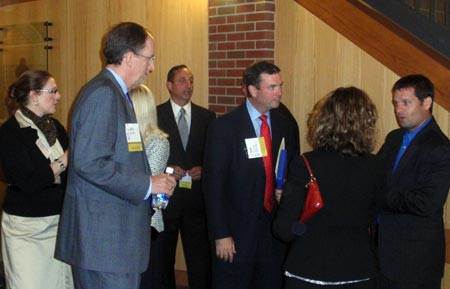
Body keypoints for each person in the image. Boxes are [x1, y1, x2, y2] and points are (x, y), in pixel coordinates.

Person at [54, 22, 176, 289]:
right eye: (150, 58)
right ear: (129, 57)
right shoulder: (103, 95)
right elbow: (89, 162)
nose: (152, 67)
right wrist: (147, 184)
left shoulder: (116, 94)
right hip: (105, 245)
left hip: (113, 245)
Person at [272, 86, 384, 289]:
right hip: (358, 270)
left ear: (323, 121)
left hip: (309, 270)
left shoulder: (305, 164)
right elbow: (371, 216)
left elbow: (284, 230)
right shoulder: (377, 165)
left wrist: (284, 203)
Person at [203, 60, 300, 289]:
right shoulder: (224, 127)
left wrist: (286, 189)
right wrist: (221, 234)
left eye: (280, 85)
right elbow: (213, 186)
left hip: (272, 230)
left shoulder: (285, 124)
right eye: (272, 87)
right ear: (253, 90)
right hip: (235, 233)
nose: (280, 92)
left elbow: (293, 169)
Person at [0, 70, 73, 289]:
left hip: (59, 222)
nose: (58, 96)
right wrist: (65, 159)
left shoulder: (56, 127)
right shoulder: (9, 132)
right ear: (34, 95)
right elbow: (28, 181)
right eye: (53, 91)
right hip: (26, 229)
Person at [377, 74, 450, 289]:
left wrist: (380, 196)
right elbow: (376, 176)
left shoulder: (440, 147)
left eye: (406, 102)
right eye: (396, 103)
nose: (398, 109)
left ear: (426, 103)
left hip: (415, 262)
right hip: (383, 254)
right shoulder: (394, 138)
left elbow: (427, 202)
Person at [157, 64, 216, 289]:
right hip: (166, 197)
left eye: (191, 80)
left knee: (200, 260)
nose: (188, 85)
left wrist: (204, 168)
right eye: (182, 80)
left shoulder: (207, 117)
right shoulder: (156, 114)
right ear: (169, 85)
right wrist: (168, 168)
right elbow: (146, 155)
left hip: (196, 201)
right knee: (164, 259)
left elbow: (214, 156)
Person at [130, 84, 170, 289]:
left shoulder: (158, 142)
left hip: (148, 223)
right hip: (126, 222)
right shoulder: (125, 138)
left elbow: (147, 181)